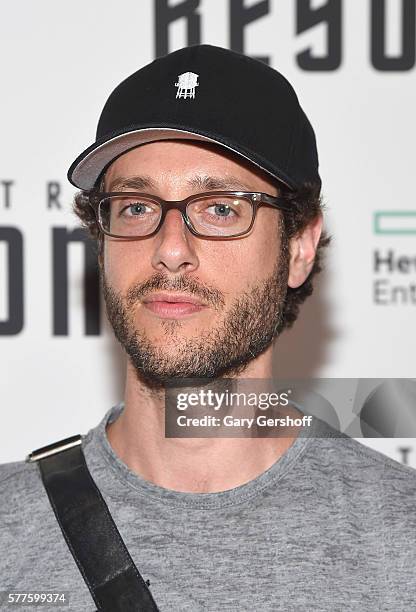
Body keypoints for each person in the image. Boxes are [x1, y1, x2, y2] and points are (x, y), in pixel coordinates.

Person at [1, 45, 415, 612]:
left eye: (221, 208)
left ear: (298, 247)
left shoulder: (401, 539)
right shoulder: (9, 532)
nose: (170, 250)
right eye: (136, 207)